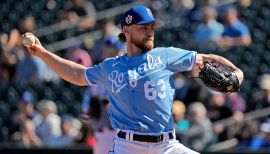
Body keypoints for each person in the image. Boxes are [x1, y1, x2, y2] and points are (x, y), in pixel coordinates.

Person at [23, 5, 244, 154]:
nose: (150, 32)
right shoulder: (112, 66)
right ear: (127, 31)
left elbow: (205, 59)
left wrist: (237, 72)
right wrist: (42, 53)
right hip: (127, 146)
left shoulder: (165, 55)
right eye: (143, 27)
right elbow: (79, 75)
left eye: (151, 27)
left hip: (167, 145)